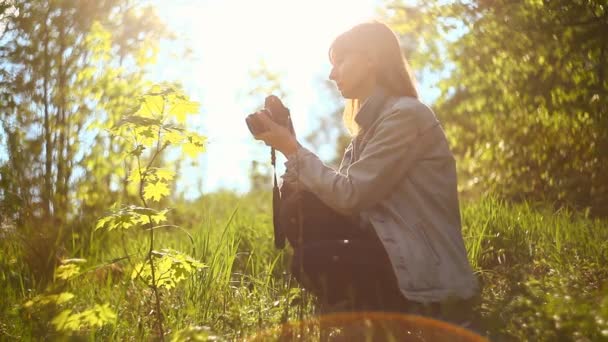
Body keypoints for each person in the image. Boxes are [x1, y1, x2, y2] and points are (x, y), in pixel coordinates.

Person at [251, 20, 479, 327]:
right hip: (389, 255)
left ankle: (398, 315)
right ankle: (362, 315)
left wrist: (293, 150)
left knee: (312, 257)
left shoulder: (407, 116)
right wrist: (290, 146)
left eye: (341, 61)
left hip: (426, 276)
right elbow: (338, 203)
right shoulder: (365, 135)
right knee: (301, 208)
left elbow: (350, 196)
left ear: (371, 58)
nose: (332, 74)